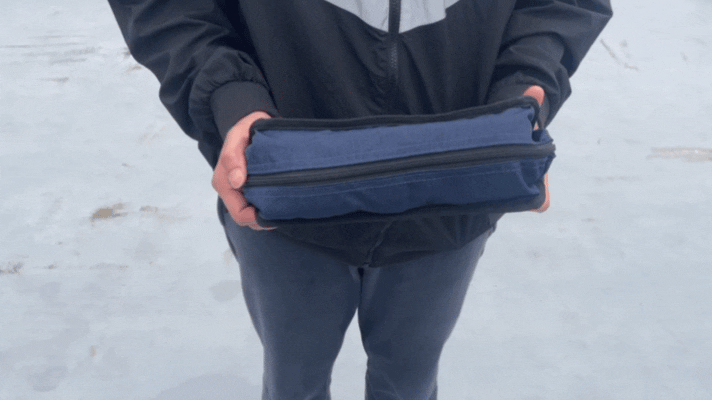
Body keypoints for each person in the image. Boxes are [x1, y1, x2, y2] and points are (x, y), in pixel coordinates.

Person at [109, 1, 612, 398]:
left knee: (409, 384)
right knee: (293, 384)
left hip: (450, 199)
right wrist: (229, 93)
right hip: (284, 191)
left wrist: (528, 83)